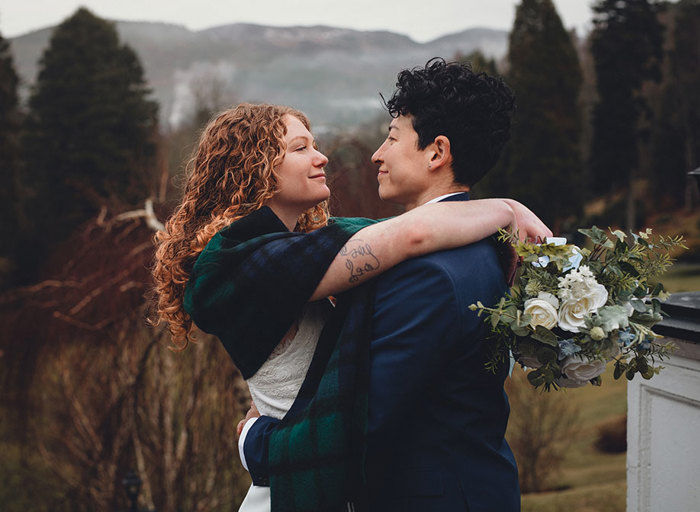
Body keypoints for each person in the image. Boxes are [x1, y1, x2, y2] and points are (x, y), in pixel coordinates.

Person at [153, 100, 548, 510]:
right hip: (299, 478)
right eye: (300, 148)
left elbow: (403, 229)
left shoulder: (303, 243)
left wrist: (509, 210)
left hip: (328, 472)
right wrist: (505, 208)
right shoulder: (240, 262)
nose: (321, 156)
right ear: (254, 166)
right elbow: (408, 236)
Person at [238, 59, 530, 511]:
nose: (377, 153)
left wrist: (254, 441)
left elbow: (362, 422)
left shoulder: (428, 273)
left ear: (437, 152)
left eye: (392, 137)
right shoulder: (480, 242)